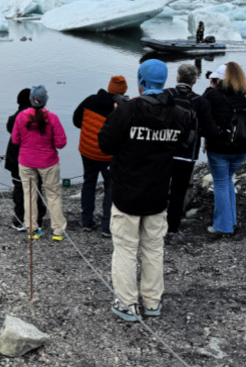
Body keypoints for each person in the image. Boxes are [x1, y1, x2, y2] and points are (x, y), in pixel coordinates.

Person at [97, 60, 190, 321]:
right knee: (153, 248)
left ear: (140, 81)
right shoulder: (178, 114)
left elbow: (104, 143)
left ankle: (127, 303)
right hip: (158, 192)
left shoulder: (128, 111)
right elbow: (183, 139)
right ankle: (152, 302)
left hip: (127, 192)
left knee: (126, 248)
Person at [164, 64, 219, 241]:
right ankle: (172, 230)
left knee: (159, 187)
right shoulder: (200, 101)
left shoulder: (166, 95)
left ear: (177, 77)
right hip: (186, 153)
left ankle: (152, 226)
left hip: (162, 150)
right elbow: (210, 131)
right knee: (178, 191)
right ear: (195, 80)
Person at [202, 62, 246, 235]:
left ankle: (222, 226)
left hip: (220, 148)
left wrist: (211, 87)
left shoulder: (213, 94)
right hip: (243, 146)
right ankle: (231, 221)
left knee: (220, 183)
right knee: (227, 180)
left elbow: (202, 111)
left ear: (217, 80)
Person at [11, 85, 68, 241]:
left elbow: (15, 140)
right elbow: (61, 143)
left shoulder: (21, 117)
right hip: (48, 162)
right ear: (45, 101)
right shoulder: (53, 118)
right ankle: (58, 231)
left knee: (29, 195)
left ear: (31, 100)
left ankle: (33, 229)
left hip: (26, 162)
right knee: (53, 196)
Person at [72, 75, 128, 233]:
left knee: (88, 182)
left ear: (109, 86)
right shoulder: (121, 108)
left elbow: (76, 120)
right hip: (108, 155)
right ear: (123, 91)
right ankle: (106, 226)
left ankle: (86, 222)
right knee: (110, 187)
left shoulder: (90, 100)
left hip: (87, 150)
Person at [5, 88, 46, 232]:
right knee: (36, 188)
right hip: (38, 159)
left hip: (17, 159)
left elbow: (12, 132)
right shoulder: (43, 117)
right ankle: (37, 220)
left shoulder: (15, 118)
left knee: (19, 189)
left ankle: (20, 219)